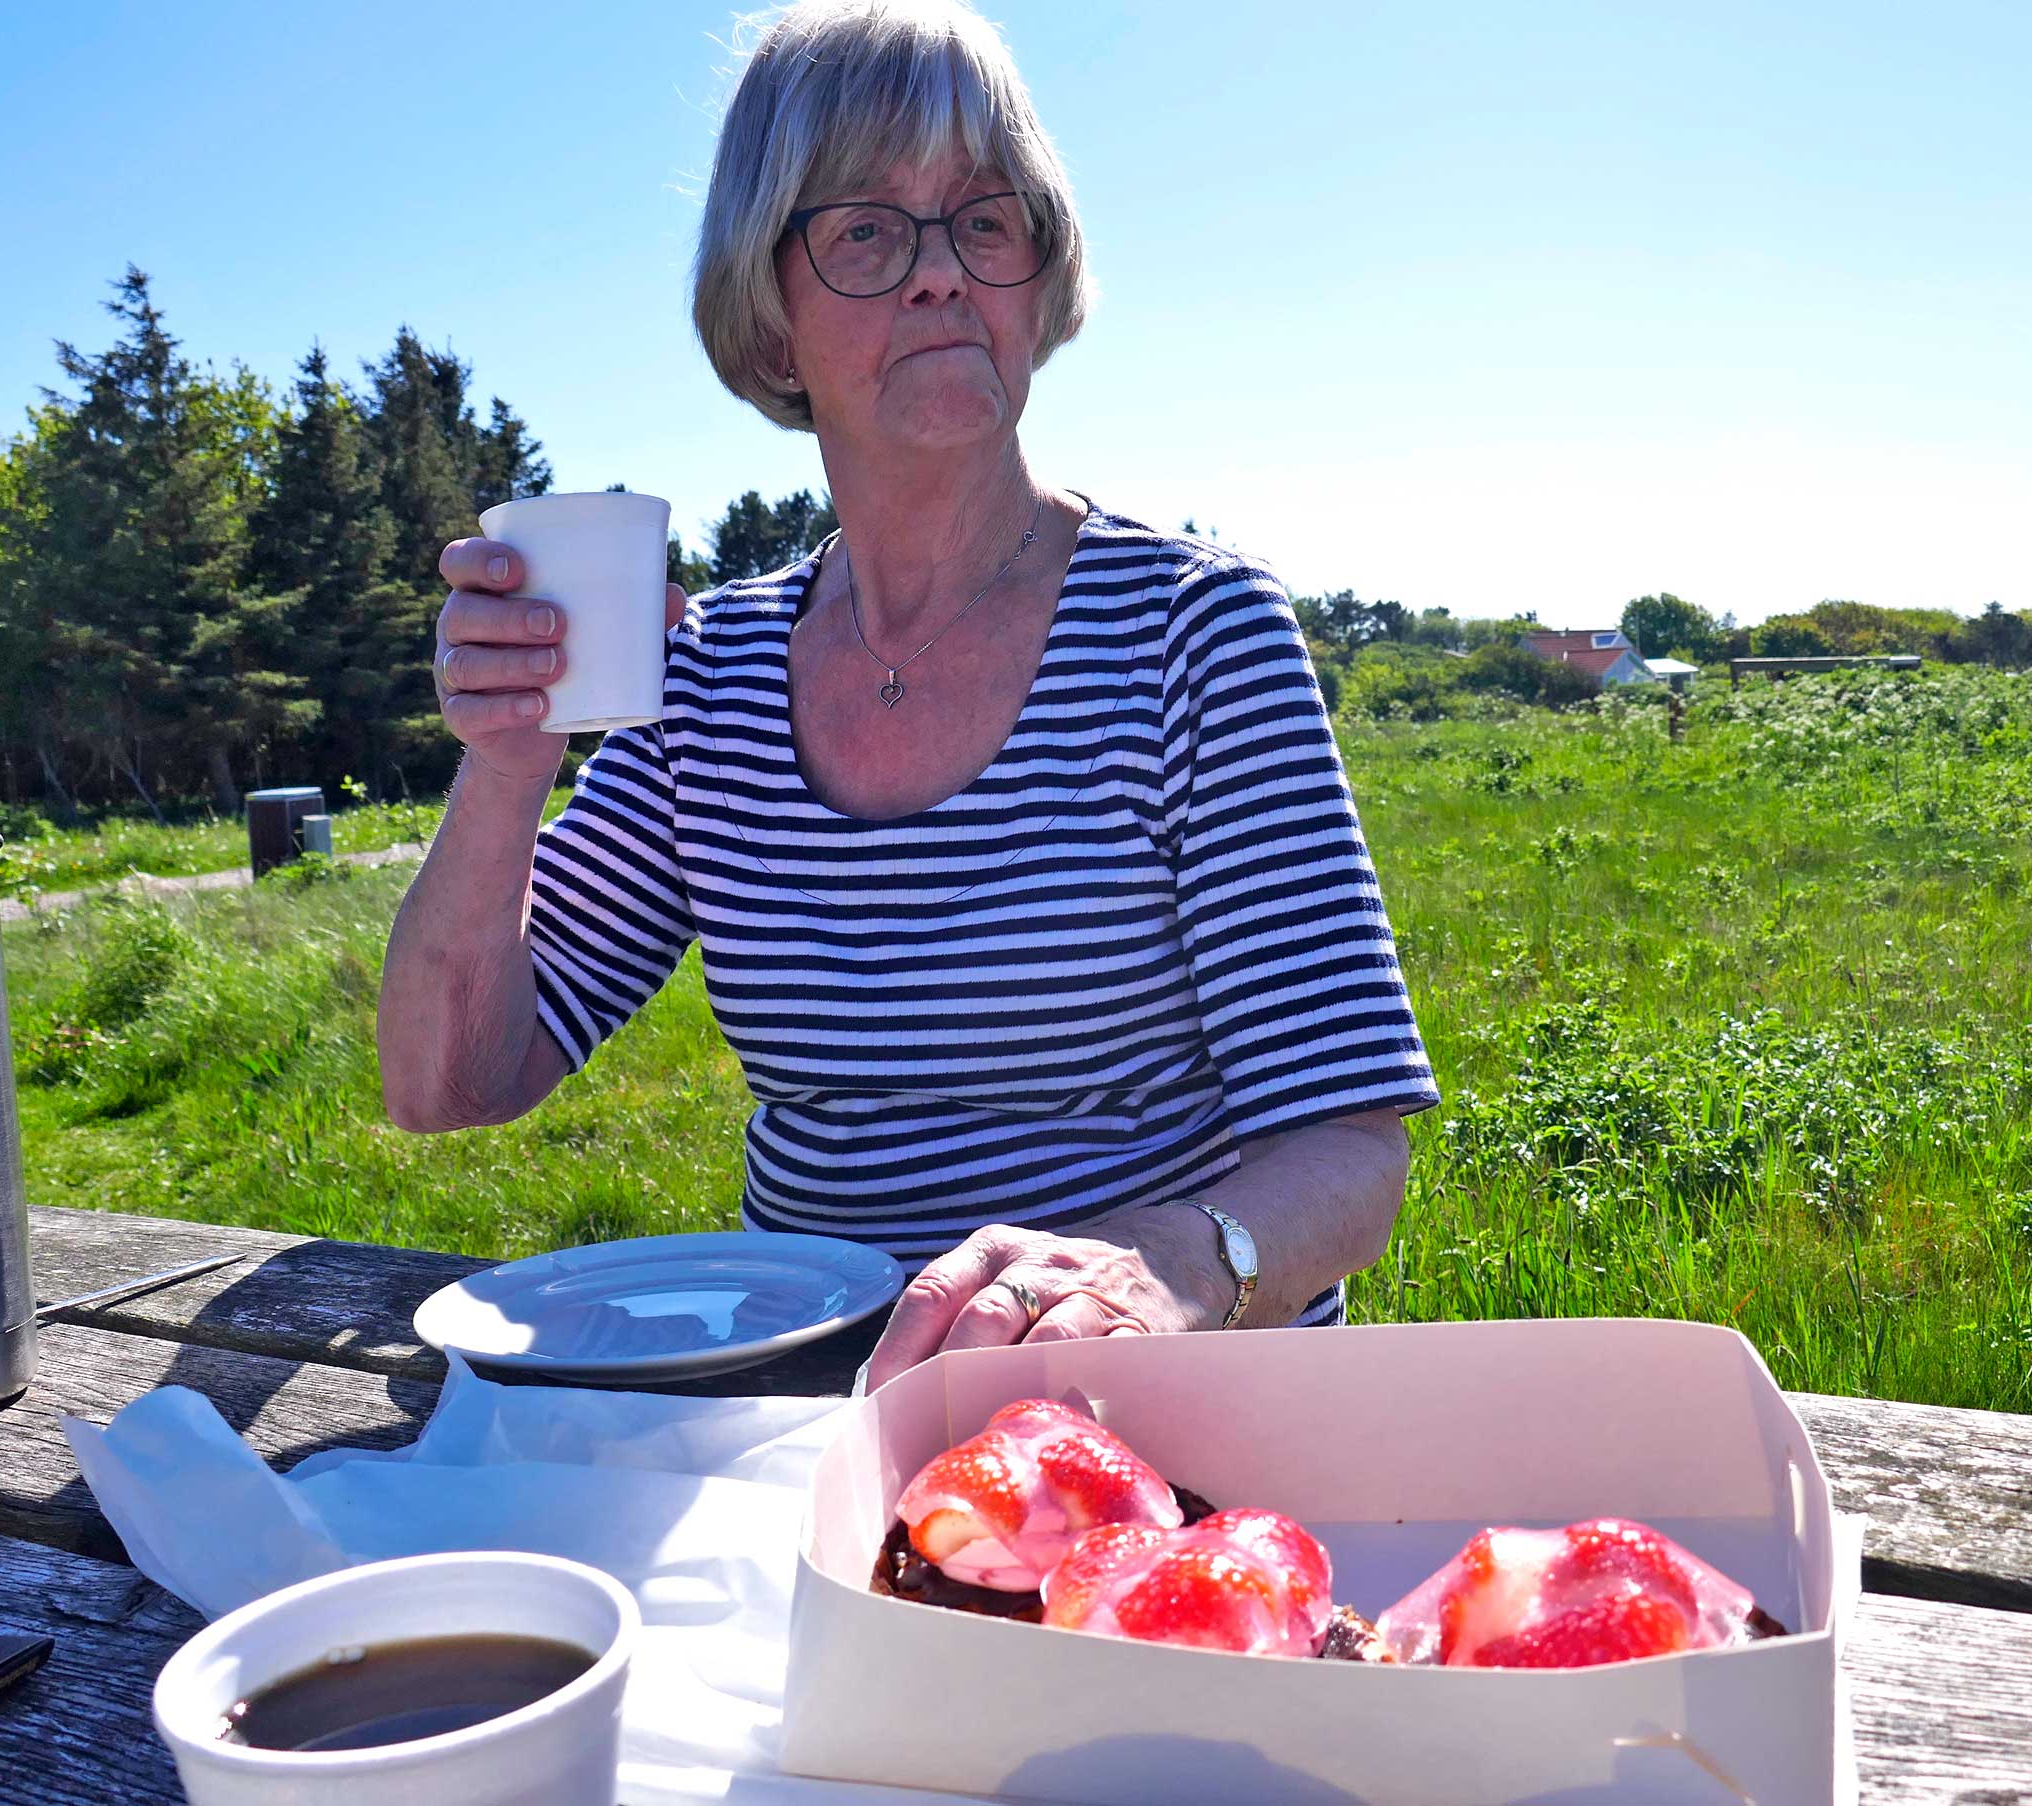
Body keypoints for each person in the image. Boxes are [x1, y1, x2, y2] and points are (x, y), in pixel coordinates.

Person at [377, 0, 1436, 1391]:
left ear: (1037, 279)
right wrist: (510, 760)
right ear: (770, 317)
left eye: (984, 221)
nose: (940, 273)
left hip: (1164, 1422)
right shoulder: (708, 680)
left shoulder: (1192, 633)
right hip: (824, 1422)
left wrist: (1167, 1266)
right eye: (867, 231)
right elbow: (449, 1082)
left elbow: (1354, 1150)